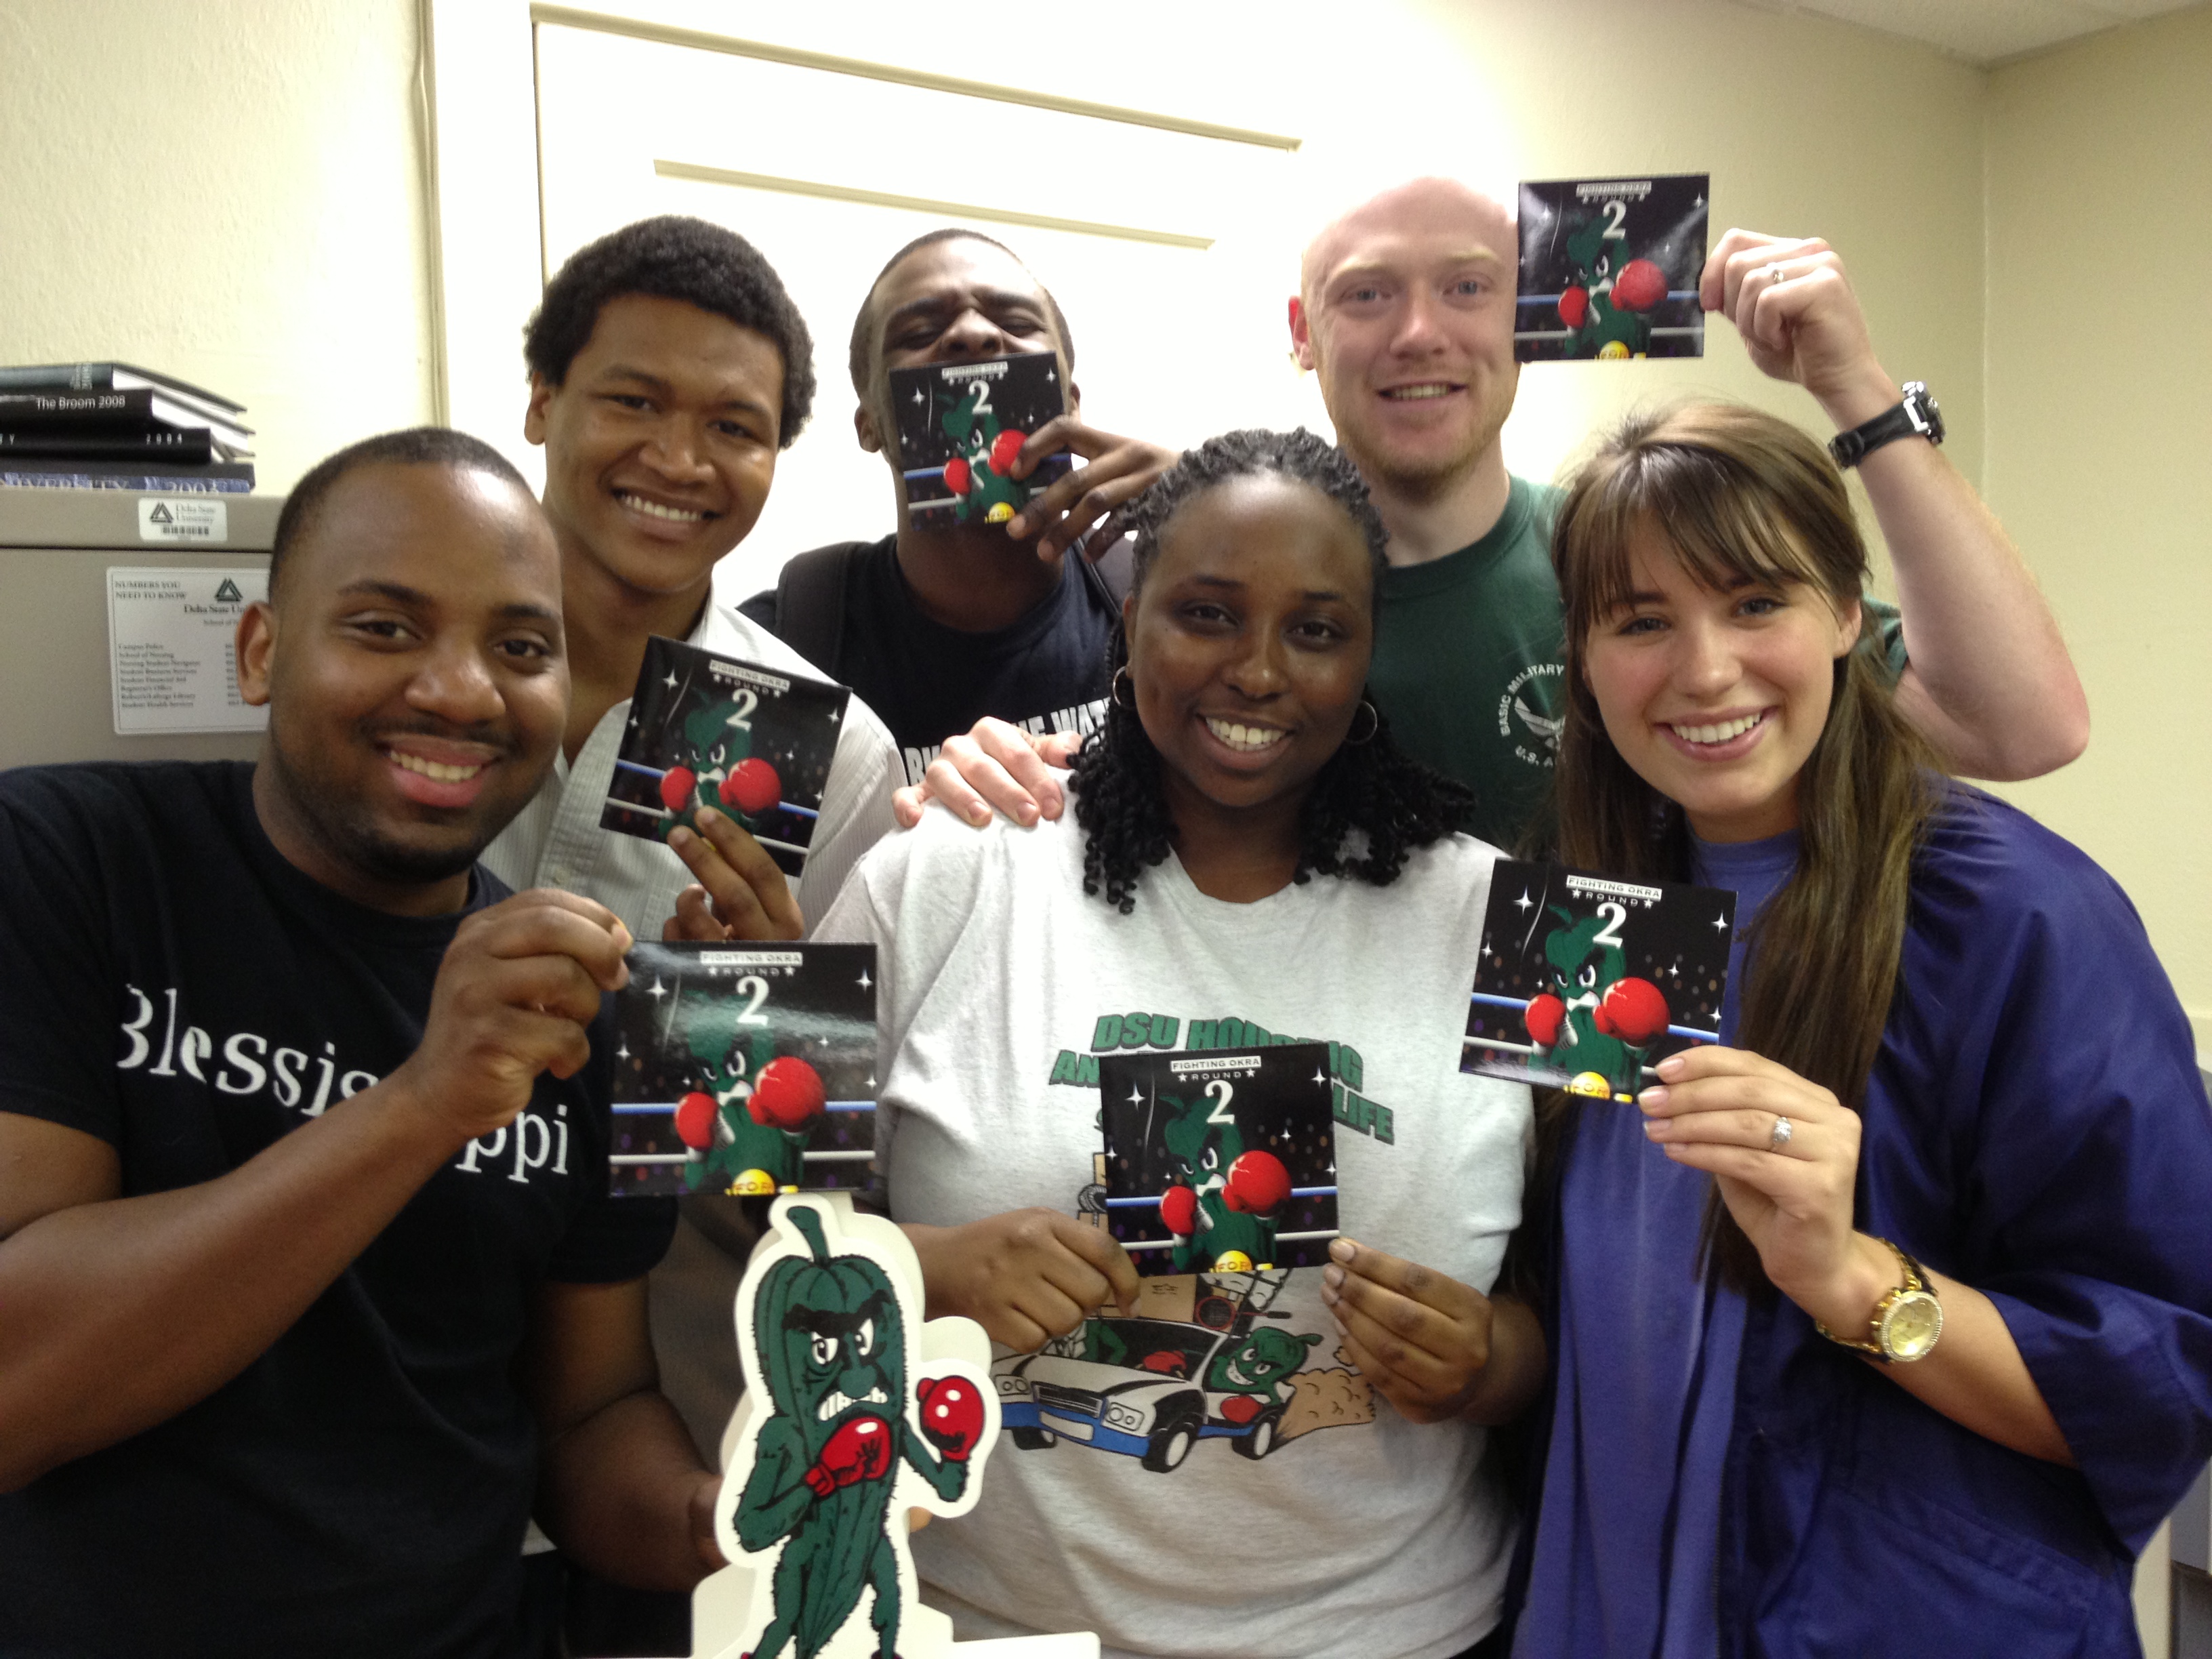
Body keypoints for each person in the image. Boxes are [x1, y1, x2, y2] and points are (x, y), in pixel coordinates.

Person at [818, 430, 1546, 1658]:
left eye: (1315, 630)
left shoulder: (1499, 922)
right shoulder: (937, 870)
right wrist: (925, 1264)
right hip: (989, 1627)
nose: (1257, 670)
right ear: (1129, 620)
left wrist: (1489, 1364)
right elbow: (732, 1206)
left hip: (1396, 1630)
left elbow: (1608, 1298)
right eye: (1205, 613)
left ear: (1366, 651)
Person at [0, 430, 722, 1656]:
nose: (459, 690)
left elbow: (587, 1418)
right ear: (262, 650)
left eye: (520, 647)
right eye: (386, 626)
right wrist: (425, 1101)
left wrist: (739, 1520)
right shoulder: (64, 859)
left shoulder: (595, 1007)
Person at [1516, 401, 2212, 1656]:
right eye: (1638, 621)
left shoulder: (2013, 917)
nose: (1703, 670)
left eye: (1753, 603)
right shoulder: (1584, 910)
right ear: (1577, 651)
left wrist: (1848, 1276)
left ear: (1847, 615)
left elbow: (2160, 1376)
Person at [904, 190, 2090, 846]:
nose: (1418, 331)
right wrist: (979, 778)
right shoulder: (1224, 606)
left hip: (1632, 1158)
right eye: (1364, 294)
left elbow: (2018, 727)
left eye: (1467, 285)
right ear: (1302, 331)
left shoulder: (1637, 568)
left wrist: (1858, 394)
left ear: (1533, 311)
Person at [486, 213, 902, 948]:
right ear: (543, 401)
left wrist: (758, 995)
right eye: (635, 402)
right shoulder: (404, 669)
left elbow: (823, 1057)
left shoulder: (834, 755)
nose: (679, 461)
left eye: (734, 428)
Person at [739, 227, 1176, 785]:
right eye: (921, 330)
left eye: (1017, 324)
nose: (973, 334)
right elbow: (676, 866)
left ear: (1070, 402)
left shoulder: (1169, 602)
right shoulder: (776, 648)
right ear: (868, 423)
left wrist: (1213, 505)